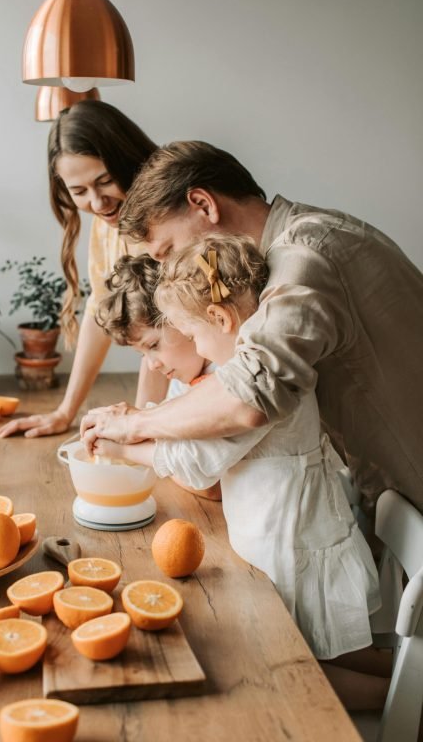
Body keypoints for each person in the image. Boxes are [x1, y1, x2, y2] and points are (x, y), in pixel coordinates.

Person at [90, 234, 389, 710]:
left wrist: (122, 447)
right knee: (338, 654)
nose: (159, 360)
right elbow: (187, 440)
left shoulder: (242, 383)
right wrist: (133, 426)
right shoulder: (221, 369)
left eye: (177, 338)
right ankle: (406, 691)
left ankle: (409, 713)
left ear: (216, 320)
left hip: (293, 542)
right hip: (281, 535)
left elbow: (196, 462)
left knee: (291, 666)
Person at [81, 141, 423, 514]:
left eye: (167, 251)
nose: (168, 271)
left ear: (203, 205)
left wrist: (135, 424)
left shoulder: (305, 255)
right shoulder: (286, 252)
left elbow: (250, 394)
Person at [0, 101, 166, 439]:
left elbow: (165, 331)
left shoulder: (166, 217)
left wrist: (141, 426)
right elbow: (100, 311)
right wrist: (65, 412)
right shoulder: (108, 222)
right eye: (79, 192)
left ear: (128, 159)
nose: (98, 203)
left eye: (105, 181)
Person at [94, 252, 221, 500]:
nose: (152, 365)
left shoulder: (226, 372)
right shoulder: (182, 378)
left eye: (153, 345)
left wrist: (126, 449)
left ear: (183, 317)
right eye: (142, 354)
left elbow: (210, 486)